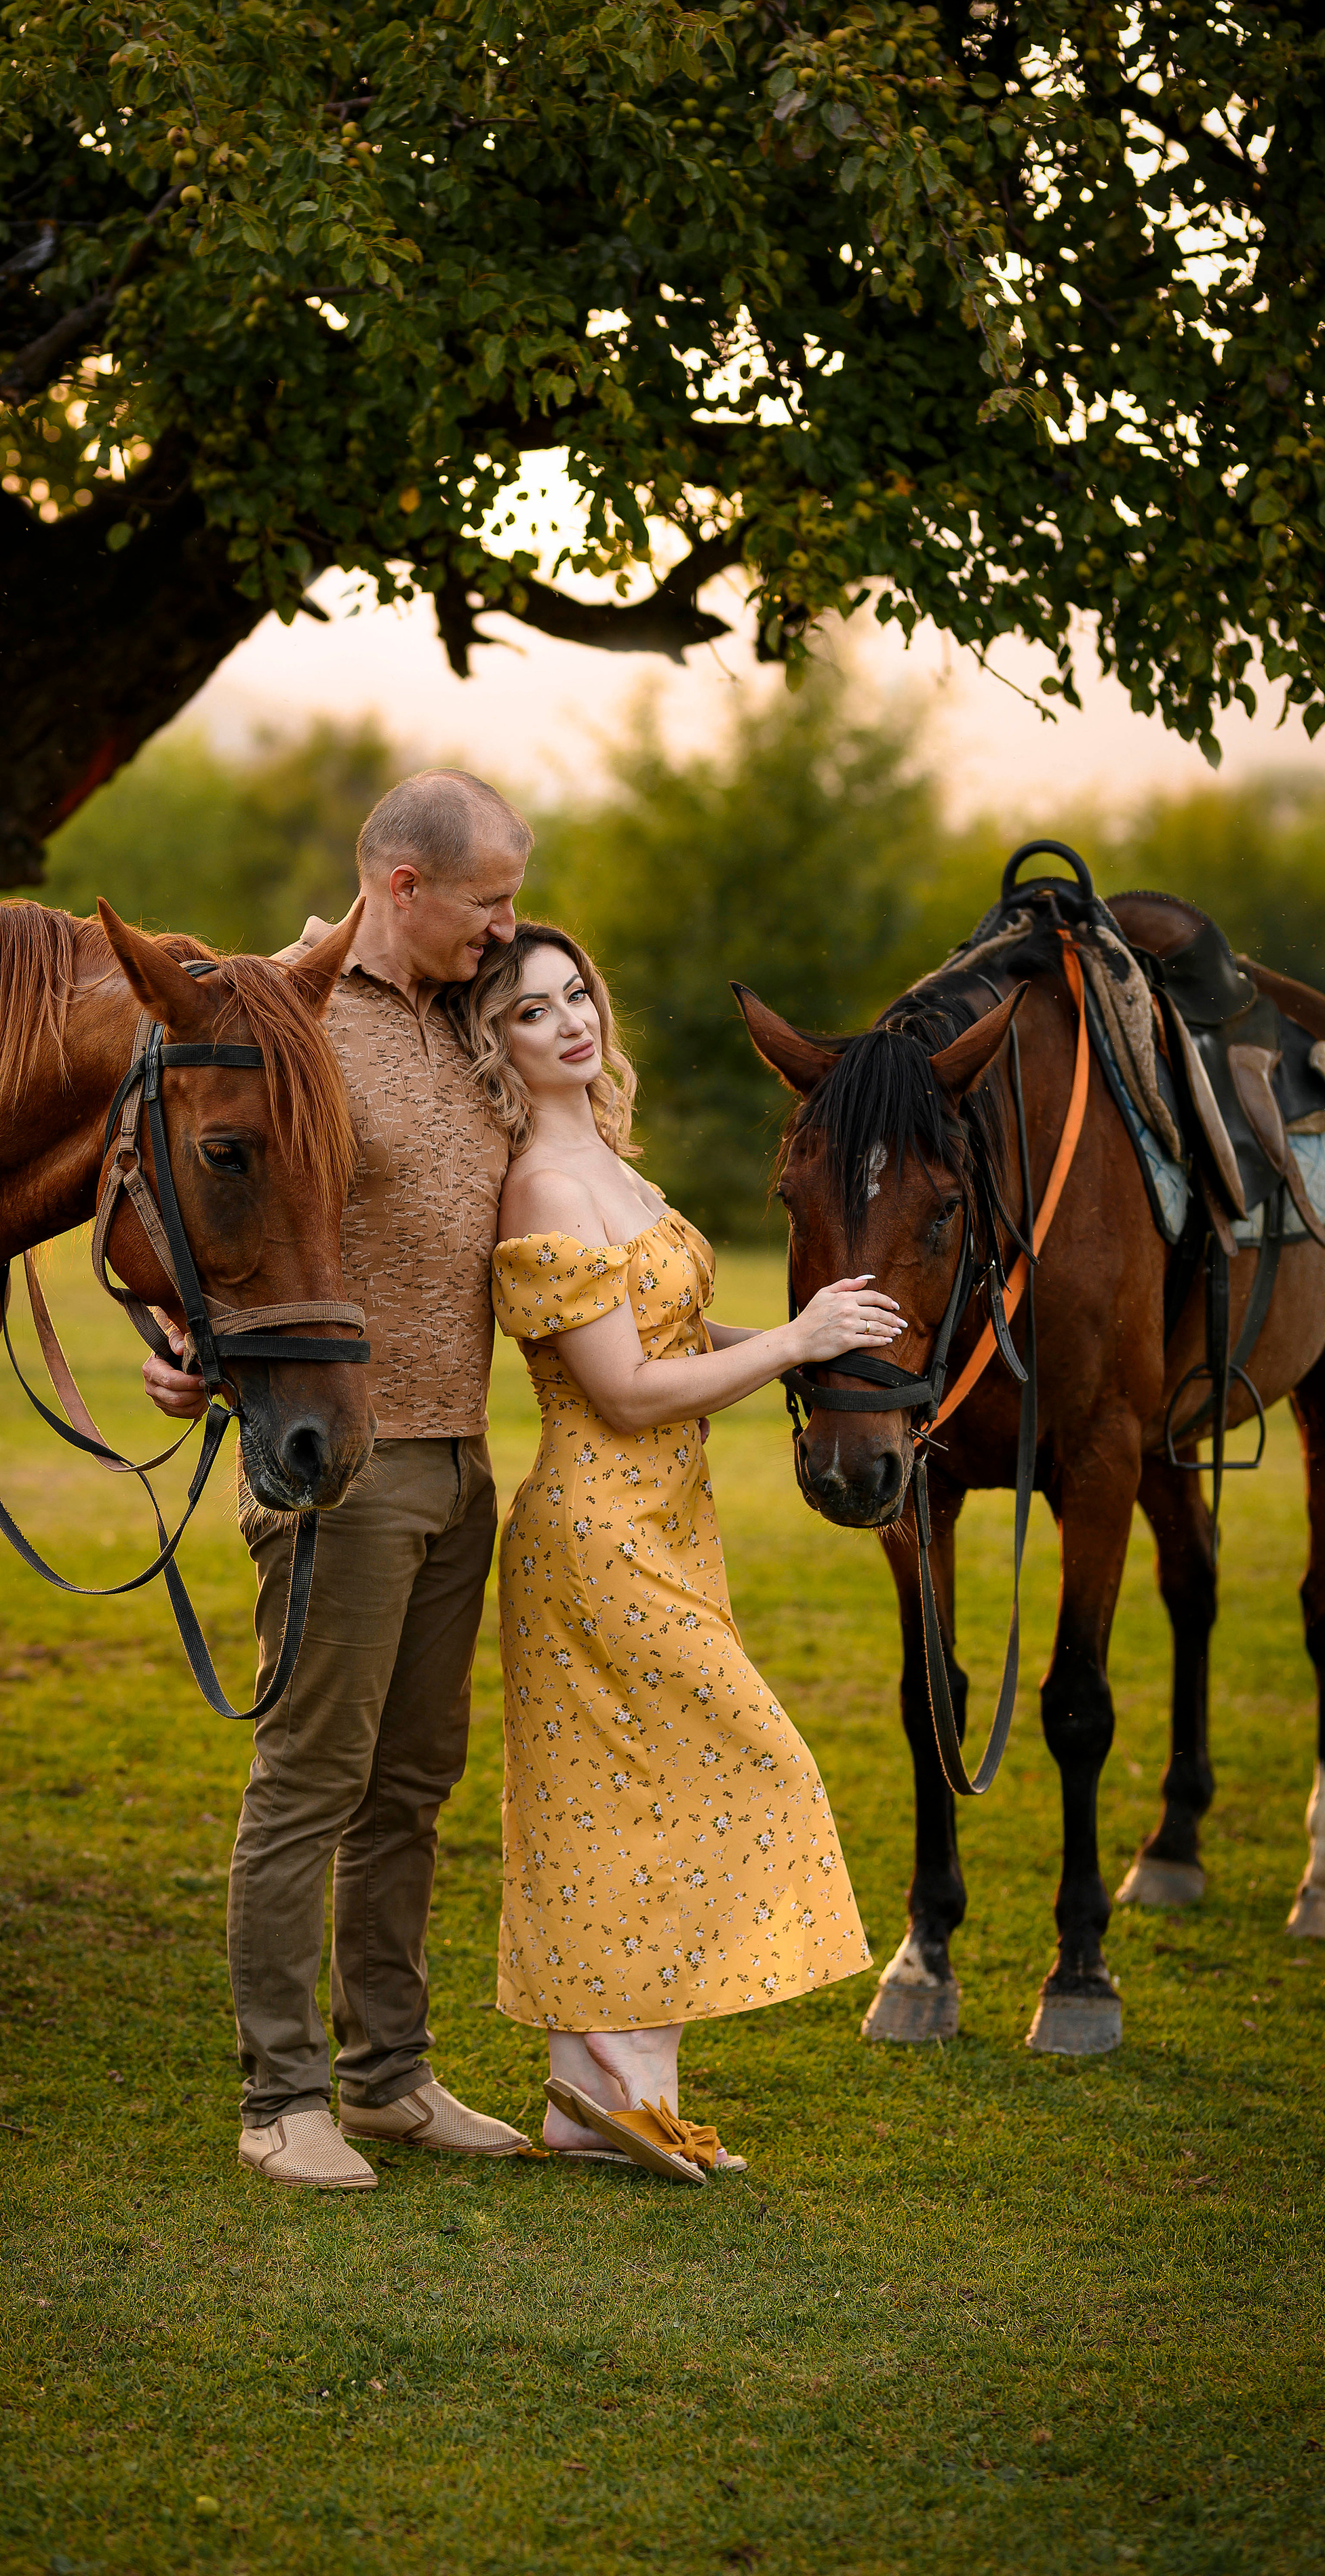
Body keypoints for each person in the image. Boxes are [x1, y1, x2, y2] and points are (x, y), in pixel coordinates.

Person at [449, 922, 894, 2182]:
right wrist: (797, 1345)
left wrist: (834, 1344)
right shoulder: (542, 1182)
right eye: (532, 1012)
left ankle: (601, 2097)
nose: (571, 1021)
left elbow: (680, 1335)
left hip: (668, 1530)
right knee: (752, 1769)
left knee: (636, 1805)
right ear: (498, 1043)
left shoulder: (615, 1166)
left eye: (577, 993)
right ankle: (610, 2073)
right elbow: (632, 1390)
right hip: (594, 1532)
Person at [144, 769, 538, 2191]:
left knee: (412, 1782)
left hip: (458, 1455)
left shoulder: (459, 1030)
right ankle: (281, 2096)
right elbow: (179, 1188)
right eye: (488, 901)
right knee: (311, 1776)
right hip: (338, 1461)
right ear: (403, 886)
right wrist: (177, 1337)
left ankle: (387, 2077)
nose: (508, 929)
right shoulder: (284, 1016)